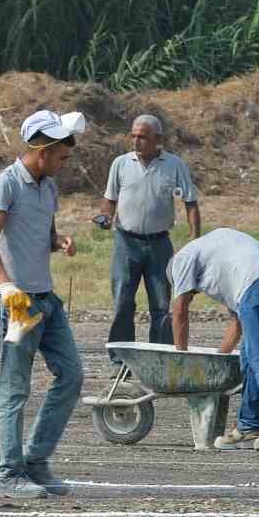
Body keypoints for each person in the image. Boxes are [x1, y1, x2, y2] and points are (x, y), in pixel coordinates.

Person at [0, 109, 83, 499]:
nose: (64, 163)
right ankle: (8, 475)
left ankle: (36, 461)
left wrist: (61, 242)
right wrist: (7, 287)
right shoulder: (4, 185)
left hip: (46, 298)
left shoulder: (49, 187)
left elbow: (47, 234)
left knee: (71, 374)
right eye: (61, 156)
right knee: (15, 388)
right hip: (16, 302)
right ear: (42, 151)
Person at [168, 227, 259, 452]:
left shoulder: (182, 259)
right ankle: (248, 426)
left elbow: (180, 312)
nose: (194, 294)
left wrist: (181, 359)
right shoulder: (219, 253)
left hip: (258, 283)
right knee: (251, 355)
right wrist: (219, 360)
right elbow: (237, 323)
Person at [97, 114, 200, 345]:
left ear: (158, 139)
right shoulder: (120, 164)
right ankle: (121, 359)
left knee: (162, 305)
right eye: (133, 136)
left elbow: (191, 203)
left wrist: (195, 241)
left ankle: (159, 358)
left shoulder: (174, 165)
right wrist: (105, 216)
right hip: (126, 242)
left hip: (159, 244)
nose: (136, 141)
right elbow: (109, 199)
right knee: (123, 303)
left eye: (142, 137)